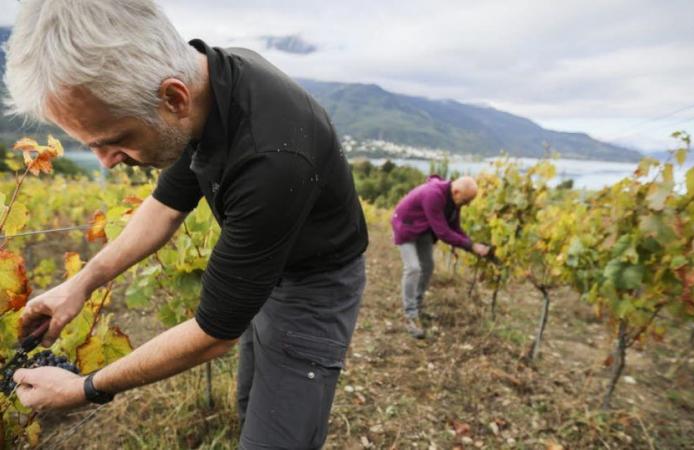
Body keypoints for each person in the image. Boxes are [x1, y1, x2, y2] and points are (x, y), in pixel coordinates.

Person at [4, 1, 368, 448]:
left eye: (115, 141)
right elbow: (166, 206)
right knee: (252, 403)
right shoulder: (205, 88)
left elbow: (214, 335)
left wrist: (85, 388)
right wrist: (79, 286)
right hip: (268, 262)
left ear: (174, 98)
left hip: (315, 282)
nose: (107, 162)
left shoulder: (272, 159)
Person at [391, 175, 489, 338]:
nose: (468, 204)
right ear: (457, 192)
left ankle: (418, 306)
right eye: (466, 201)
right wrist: (471, 247)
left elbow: (454, 227)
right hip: (406, 227)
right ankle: (410, 316)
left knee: (427, 266)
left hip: (422, 229)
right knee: (413, 268)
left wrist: (472, 244)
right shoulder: (434, 195)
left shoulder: (453, 199)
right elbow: (443, 232)